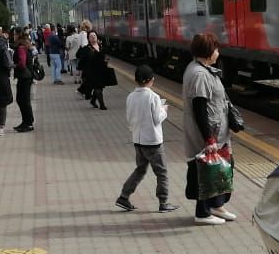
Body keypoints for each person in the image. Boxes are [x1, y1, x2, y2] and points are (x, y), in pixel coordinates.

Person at [182, 33, 234, 225]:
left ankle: (216, 206)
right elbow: (200, 107)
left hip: (217, 131)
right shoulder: (199, 74)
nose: (218, 52)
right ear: (208, 52)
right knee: (205, 171)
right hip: (208, 134)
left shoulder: (201, 69)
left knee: (220, 169)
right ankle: (202, 213)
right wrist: (209, 138)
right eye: (216, 48)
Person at [115, 64, 178, 213]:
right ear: (151, 80)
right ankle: (164, 202)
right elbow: (157, 119)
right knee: (161, 172)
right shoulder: (153, 97)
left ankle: (124, 196)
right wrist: (164, 110)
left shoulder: (130, 96)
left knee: (140, 169)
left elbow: (130, 118)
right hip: (153, 142)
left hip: (138, 141)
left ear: (136, 80)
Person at [11, 29, 35, 132]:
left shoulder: (21, 48)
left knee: (23, 100)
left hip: (24, 76)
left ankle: (28, 123)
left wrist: (13, 65)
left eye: (14, 34)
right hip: (25, 76)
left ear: (18, 36)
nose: (13, 36)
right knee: (22, 100)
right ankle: (25, 121)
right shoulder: (25, 45)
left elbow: (22, 63)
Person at [80, 30, 110, 110]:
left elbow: (104, 56)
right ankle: (102, 105)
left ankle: (93, 101)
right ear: (88, 39)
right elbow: (81, 60)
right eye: (91, 36)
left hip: (101, 71)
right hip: (91, 72)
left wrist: (106, 60)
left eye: (94, 36)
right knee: (98, 88)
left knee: (100, 88)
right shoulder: (86, 49)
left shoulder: (100, 47)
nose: (93, 37)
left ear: (97, 37)